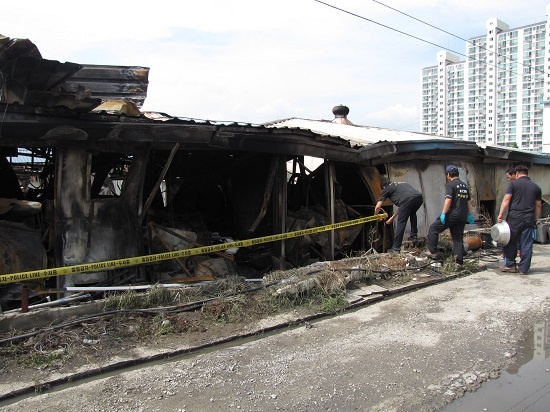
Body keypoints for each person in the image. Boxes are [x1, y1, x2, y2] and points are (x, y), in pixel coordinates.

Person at [425, 165, 474, 265]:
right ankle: (459, 263)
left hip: (453, 214)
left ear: (448, 175)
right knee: (457, 239)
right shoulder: (464, 185)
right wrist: (469, 214)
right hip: (462, 216)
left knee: (434, 228)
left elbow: (448, 199)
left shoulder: (451, 185)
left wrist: (443, 213)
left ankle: (433, 253)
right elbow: (469, 201)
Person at [497, 165, 542, 275]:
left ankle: (511, 265)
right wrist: (535, 219)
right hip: (528, 219)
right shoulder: (536, 187)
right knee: (526, 243)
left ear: (517, 174)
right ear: (527, 173)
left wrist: (501, 214)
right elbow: (538, 205)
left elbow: (506, 199)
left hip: (514, 218)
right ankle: (524, 268)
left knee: (509, 241)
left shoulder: (513, 184)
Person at [374, 177, 424, 253]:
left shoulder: (386, 189)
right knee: (412, 213)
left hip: (407, 200)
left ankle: (396, 248)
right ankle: (413, 236)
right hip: (419, 197)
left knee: (401, 222)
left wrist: (376, 216)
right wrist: (392, 218)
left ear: (383, 186)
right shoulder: (402, 184)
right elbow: (403, 206)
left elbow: (378, 206)